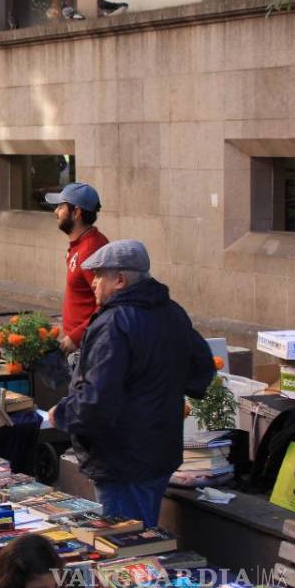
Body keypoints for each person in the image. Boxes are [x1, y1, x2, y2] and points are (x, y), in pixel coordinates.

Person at [49, 240, 214, 526]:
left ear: (120, 280)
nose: (94, 283)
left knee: (125, 545)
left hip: (122, 456)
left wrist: (62, 415)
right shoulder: (172, 312)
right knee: (141, 533)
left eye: (100, 275)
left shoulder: (114, 323)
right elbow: (201, 369)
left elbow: (97, 398)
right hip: (158, 448)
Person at [44, 182, 109, 356]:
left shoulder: (90, 250)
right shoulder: (82, 244)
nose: (55, 212)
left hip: (88, 346)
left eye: (60, 206)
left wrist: (76, 337)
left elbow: (108, 303)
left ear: (77, 212)